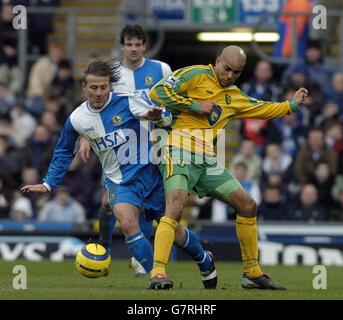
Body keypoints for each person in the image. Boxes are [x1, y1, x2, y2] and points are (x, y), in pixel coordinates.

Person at [21, 59, 217, 289]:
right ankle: (157, 275)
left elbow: (165, 115)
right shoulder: (76, 119)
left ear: (110, 86)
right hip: (119, 181)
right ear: (84, 86)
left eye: (103, 87)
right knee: (127, 222)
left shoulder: (128, 101)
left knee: (174, 230)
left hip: (151, 173)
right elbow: (64, 151)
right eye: (93, 87)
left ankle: (205, 260)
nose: (99, 92)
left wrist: (157, 117)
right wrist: (48, 184)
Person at [148, 45, 308, 290]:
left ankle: (252, 273)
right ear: (217, 61)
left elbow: (262, 108)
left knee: (247, 205)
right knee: (176, 205)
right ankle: (158, 272)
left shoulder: (235, 96)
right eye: (227, 69)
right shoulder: (196, 74)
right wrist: (194, 105)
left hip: (207, 161)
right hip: (177, 149)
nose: (230, 75)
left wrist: (292, 106)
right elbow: (157, 92)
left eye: (236, 72)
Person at [78, 24, 172, 276]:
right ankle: (104, 248)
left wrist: (166, 131)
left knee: (151, 202)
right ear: (122, 46)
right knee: (109, 203)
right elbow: (94, 104)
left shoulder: (161, 69)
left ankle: (141, 259)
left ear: (145, 46)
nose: (133, 48)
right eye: (128, 44)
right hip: (119, 146)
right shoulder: (112, 72)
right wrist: (86, 137)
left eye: (137, 44)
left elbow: (171, 102)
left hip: (154, 143)